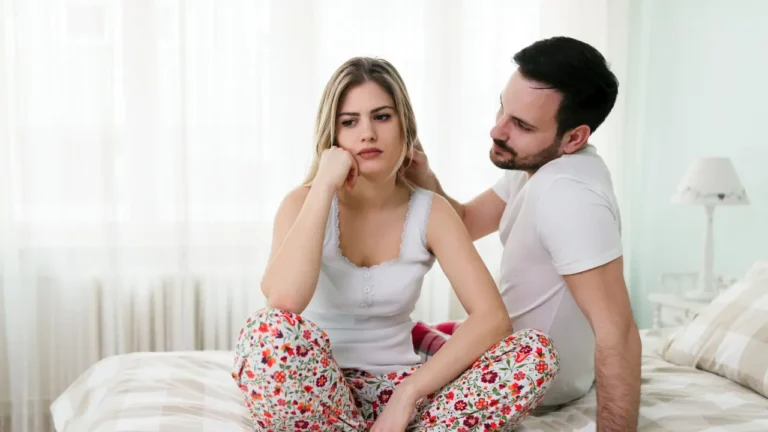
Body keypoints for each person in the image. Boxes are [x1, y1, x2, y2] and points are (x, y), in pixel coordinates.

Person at [232, 57, 560, 431]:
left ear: (405, 125)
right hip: (319, 390)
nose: (367, 133)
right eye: (349, 122)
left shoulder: (432, 211)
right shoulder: (301, 203)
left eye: (382, 117)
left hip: (404, 391)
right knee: (266, 331)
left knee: (535, 353)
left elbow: (492, 319)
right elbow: (284, 302)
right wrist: (323, 185)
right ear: (332, 136)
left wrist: (407, 396)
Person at [403, 37, 642, 431]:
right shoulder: (536, 164)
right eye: (503, 107)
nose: (497, 130)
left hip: (532, 382)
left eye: (521, 125)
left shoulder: (569, 195)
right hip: (504, 352)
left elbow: (617, 332)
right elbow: (464, 222)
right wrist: (424, 177)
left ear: (574, 137)